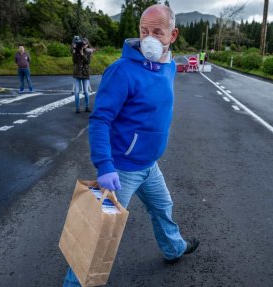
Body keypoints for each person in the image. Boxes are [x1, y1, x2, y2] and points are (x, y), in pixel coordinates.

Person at [63, 4, 199, 286]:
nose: (148, 38)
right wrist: (104, 165)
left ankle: (173, 248)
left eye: (157, 32)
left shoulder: (169, 66)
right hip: (121, 172)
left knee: (163, 207)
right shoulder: (121, 71)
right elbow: (100, 119)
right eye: (143, 31)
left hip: (150, 166)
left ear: (172, 35)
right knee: (99, 234)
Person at [71, 37, 92, 113]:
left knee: (86, 91)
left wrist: (82, 54)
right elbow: (74, 61)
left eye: (85, 44)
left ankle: (87, 107)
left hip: (85, 73)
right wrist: (74, 52)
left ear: (87, 44)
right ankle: (77, 108)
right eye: (82, 44)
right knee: (77, 91)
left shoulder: (89, 52)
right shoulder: (77, 51)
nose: (83, 45)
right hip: (77, 73)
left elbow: (87, 62)